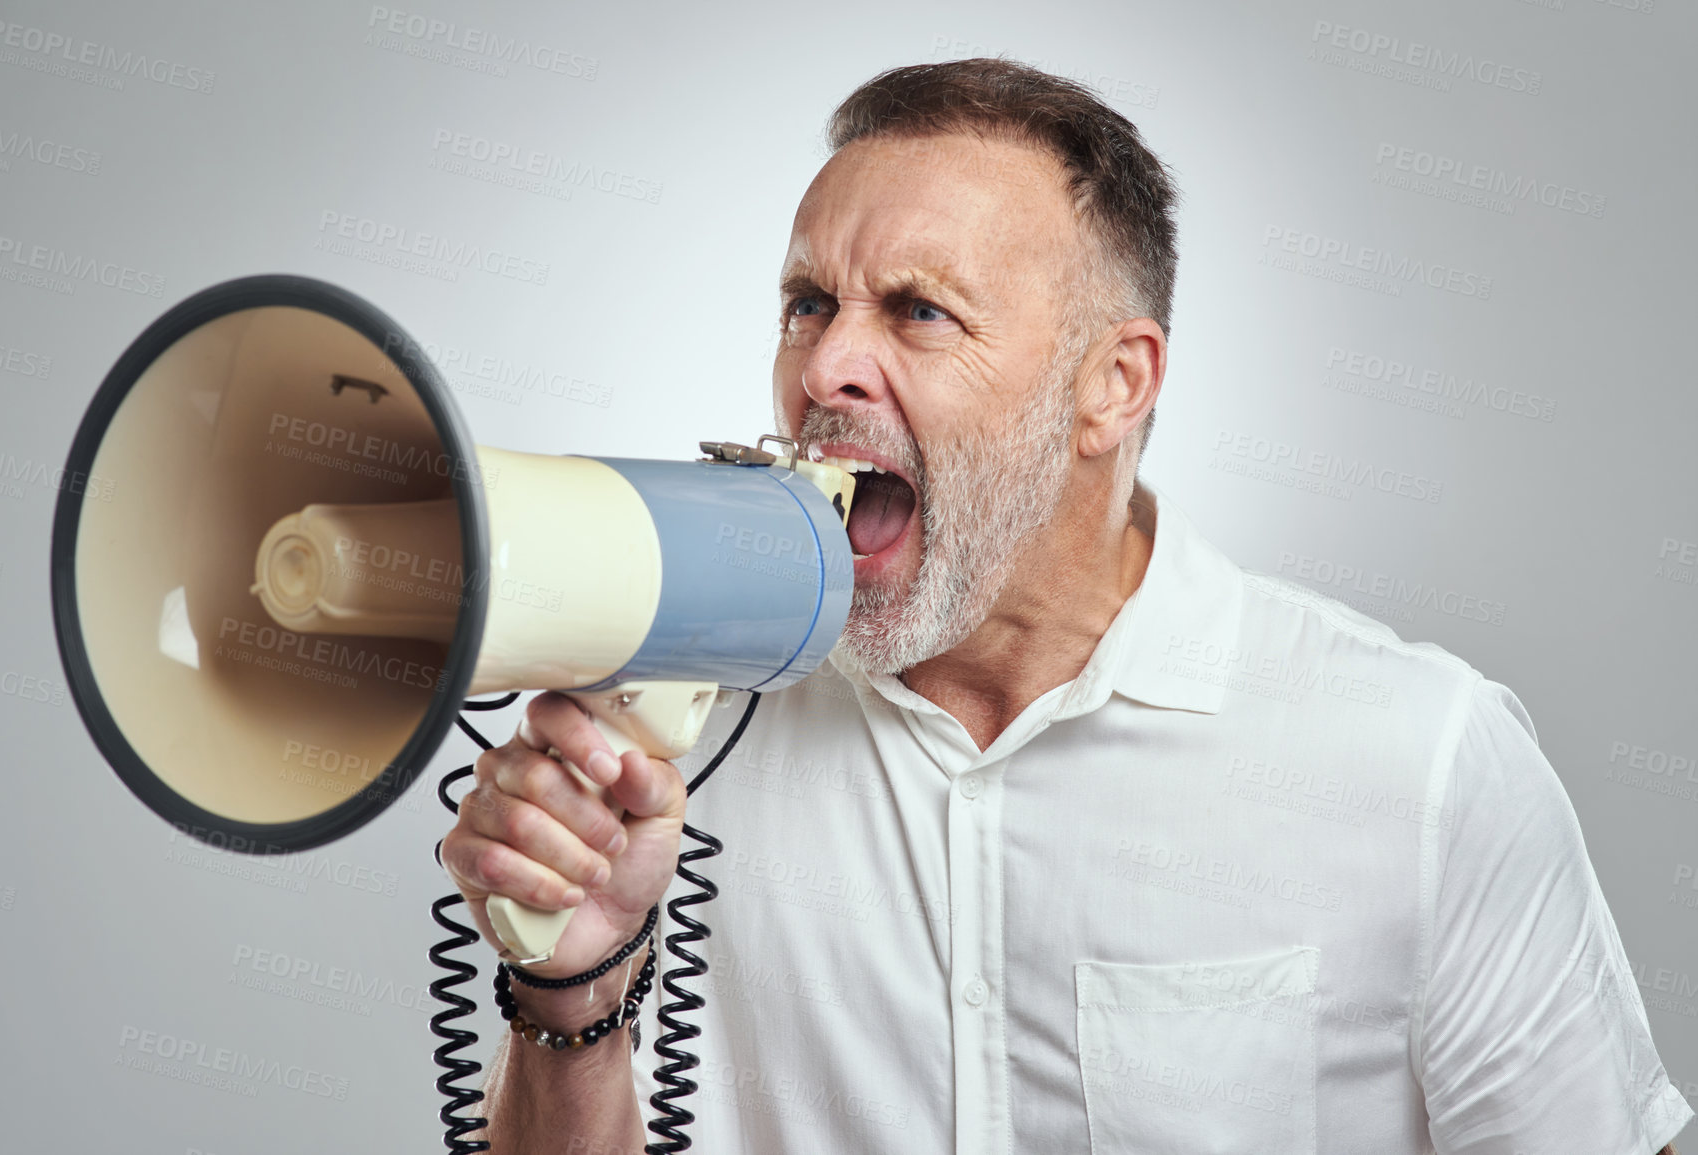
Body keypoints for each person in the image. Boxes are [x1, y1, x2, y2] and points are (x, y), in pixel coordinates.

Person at [442, 59, 1691, 1154]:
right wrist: (576, 1005)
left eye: (918, 311)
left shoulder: (1419, 762)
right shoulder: (666, 741)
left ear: (1114, 386)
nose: (823, 367)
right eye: (809, 304)